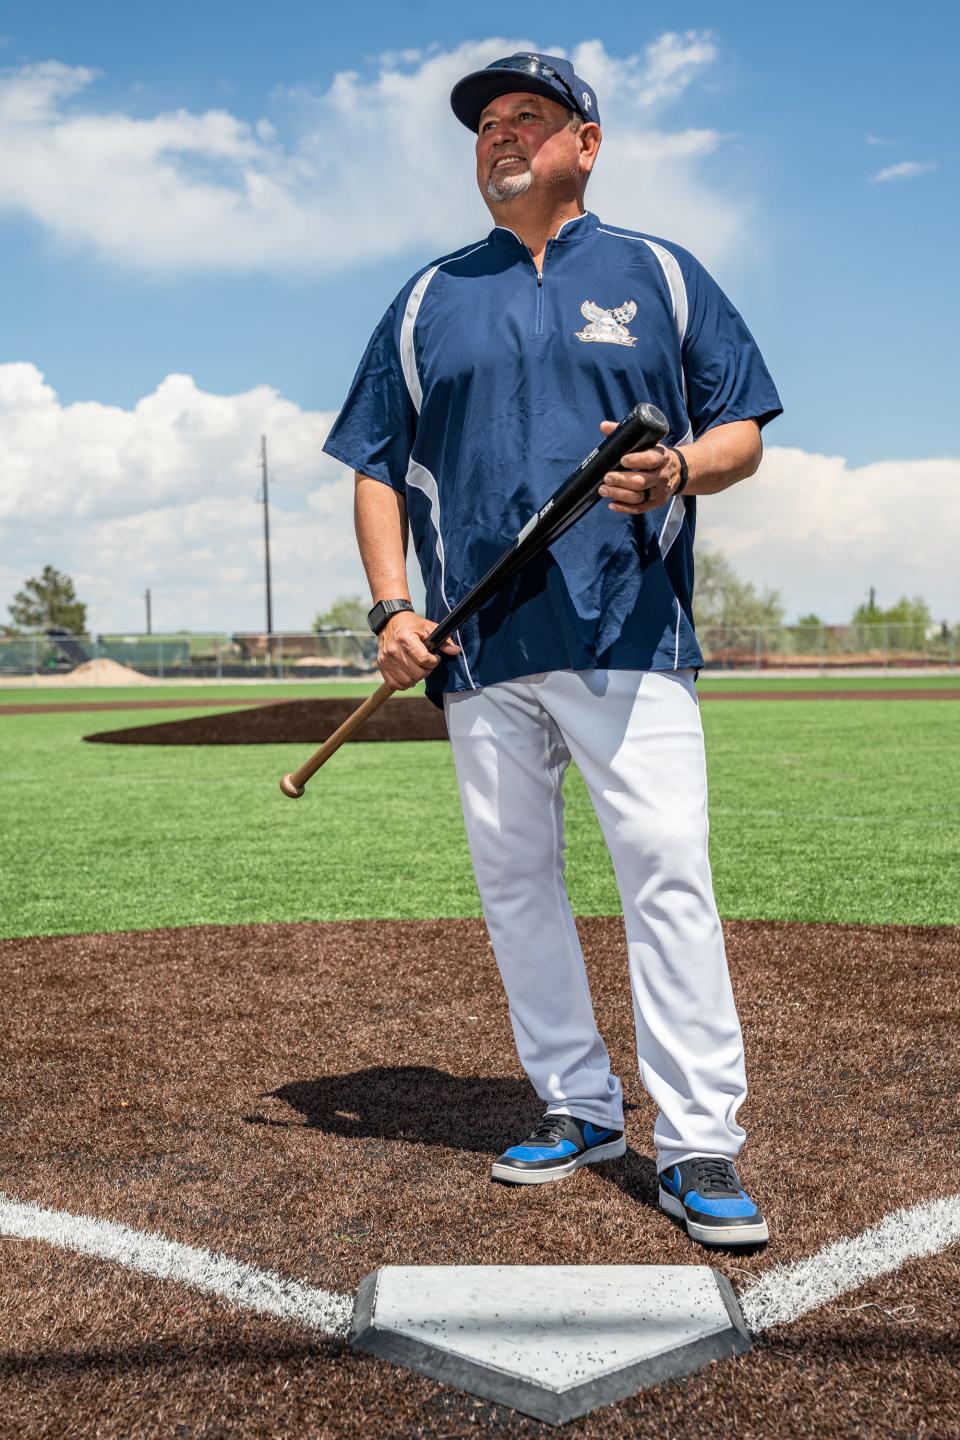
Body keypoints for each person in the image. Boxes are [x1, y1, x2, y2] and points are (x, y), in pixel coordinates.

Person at [323, 52, 782, 1247]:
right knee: (518, 887)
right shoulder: (429, 299)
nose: (499, 136)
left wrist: (679, 466)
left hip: (628, 630)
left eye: (528, 117)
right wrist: (390, 608)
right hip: (477, 649)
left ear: (587, 141)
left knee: (665, 871)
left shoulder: (660, 275)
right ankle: (580, 1106)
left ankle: (696, 1144)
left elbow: (740, 429)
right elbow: (376, 463)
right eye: (485, 125)